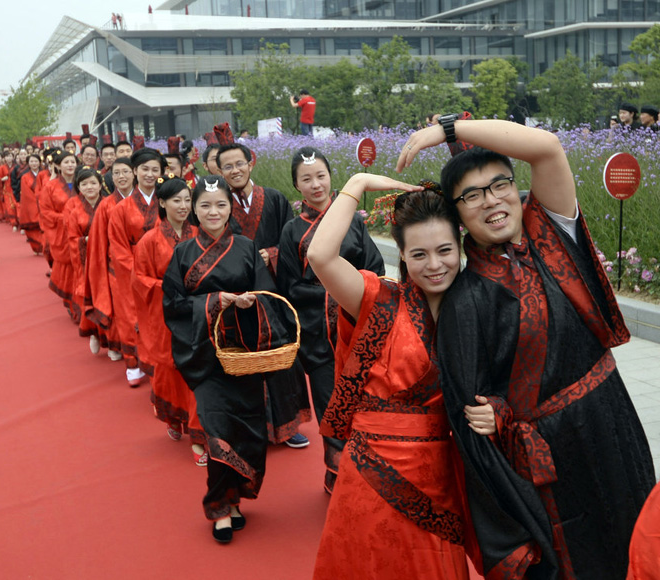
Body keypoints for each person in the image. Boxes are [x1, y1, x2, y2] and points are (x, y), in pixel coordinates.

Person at [399, 117, 656, 578]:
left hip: (609, 419)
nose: (491, 200)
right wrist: (498, 416)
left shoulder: (552, 235)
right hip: (548, 457)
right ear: (458, 215)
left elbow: (547, 147)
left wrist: (450, 130)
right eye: (471, 196)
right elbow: (469, 422)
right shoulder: (463, 301)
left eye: (499, 185)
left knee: (638, 537)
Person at [308, 171, 483, 578]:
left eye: (445, 251)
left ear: (460, 247)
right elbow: (320, 257)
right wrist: (355, 184)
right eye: (419, 255)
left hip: (437, 473)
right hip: (370, 473)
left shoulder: (479, 309)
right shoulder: (378, 300)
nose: (435, 265)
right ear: (401, 255)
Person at [163, 175, 297, 544]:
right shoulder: (182, 254)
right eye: (204, 205)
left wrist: (252, 302)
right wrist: (212, 302)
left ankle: (237, 499)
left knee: (249, 430)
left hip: (245, 354)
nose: (213, 212)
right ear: (193, 209)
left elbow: (267, 293)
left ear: (230, 207)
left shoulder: (246, 246)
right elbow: (172, 306)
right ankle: (220, 506)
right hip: (206, 357)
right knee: (217, 430)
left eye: (221, 204)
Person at [277, 146, 385, 493]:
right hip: (318, 335)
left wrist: (352, 291)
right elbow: (288, 286)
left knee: (366, 402)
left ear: (331, 176)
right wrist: (332, 291)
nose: (315, 184)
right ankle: (338, 476)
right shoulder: (292, 231)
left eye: (320, 176)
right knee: (331, 406)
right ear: (296, 186)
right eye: (306, 179)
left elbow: (376, 270)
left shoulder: (353, 220)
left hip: (359, 330)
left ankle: (372, 474)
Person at [217, 140, 312, 448]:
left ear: (251, 163)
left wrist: (272, 254)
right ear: (220, 171)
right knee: (243, 364)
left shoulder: (273, 198)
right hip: (236, 299)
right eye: (227, 166)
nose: (235, 170)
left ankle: (287, 425)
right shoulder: (218, 205)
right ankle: (249, 429)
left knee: (282, 359)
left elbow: (293, 240)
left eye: (239, 164)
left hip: (274, 294)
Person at [132, 176, 206, 465]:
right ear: (162, 202)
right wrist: (167, 288)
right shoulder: (150, 240)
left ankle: (199, 434)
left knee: (197, 371)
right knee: (168, 370)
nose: (184, 206)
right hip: (165, 313)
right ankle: (175, 417)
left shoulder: (200, 234)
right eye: (177, 200)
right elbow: (139, 278)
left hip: (197, 312)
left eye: (188, 200)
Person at [108, 147, 166, 387]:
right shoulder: (120, 209)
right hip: (132, 271)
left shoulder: (167, 202)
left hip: (164, 269)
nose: (150, 174)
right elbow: (118, 247)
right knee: (133, 317)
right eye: (145, 169)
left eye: (155, 169)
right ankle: (133, 361)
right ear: (135, 171)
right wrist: (140, 272)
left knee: (159, 319)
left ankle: (159, 365)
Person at [85, 157, 134, 363]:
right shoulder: (106, 205)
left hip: (144, 262)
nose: (121, 177)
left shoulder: (152, 201)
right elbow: (98, 242)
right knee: (120, 309)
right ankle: (120, 346)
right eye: (116, 173)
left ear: (134, 173)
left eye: (125, 172)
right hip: (116, 265)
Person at [64, 166, 106, 352]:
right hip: (86, 259)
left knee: (108, 298)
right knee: (90, 297)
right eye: (84, 184)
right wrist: (86, 240)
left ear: (100, 185)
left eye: (93, 183)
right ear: (79, 187)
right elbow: (72, 239)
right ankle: (94, 334)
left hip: (107, 258)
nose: (89, 187)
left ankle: (110, 340)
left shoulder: (109, 205)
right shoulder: (75, 211)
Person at [40, 151, 80, 321]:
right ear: (58, 166)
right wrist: (64, 218)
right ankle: (72, 302)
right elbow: (46, 212)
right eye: (66, 162)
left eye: (73, 161)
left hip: (82, 231)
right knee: (68, 267)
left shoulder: (82, 183)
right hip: (62, 233)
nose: (70, 165)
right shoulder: (50, 186)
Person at [18, 154, 44, 255]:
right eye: (32, 161)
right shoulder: (25, 177)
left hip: (44, 202)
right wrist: (36, 201)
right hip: (32, 203)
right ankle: (37, 247)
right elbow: (26, 194)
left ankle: (44, 246)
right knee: (34, 227)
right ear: (28, 163)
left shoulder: (44, 174)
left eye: (36, 161)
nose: (34, 163)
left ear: (40, 162)